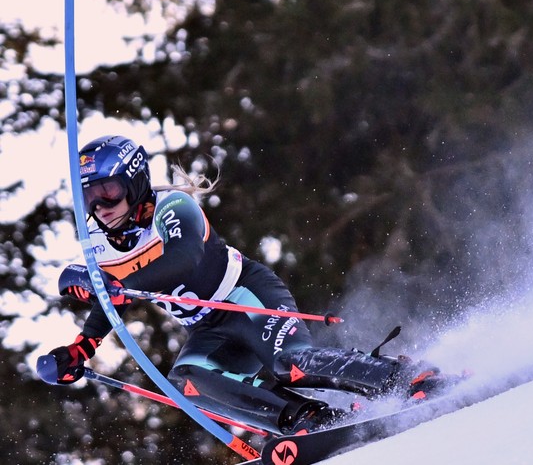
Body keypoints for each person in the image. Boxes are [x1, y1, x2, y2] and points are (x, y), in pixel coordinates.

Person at [45, 135, 448, 435]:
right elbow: (109, 300)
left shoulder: (173, 208)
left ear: (133, 184)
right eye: (88, 198)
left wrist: (114, 283)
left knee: (290, 364)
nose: (99, 206)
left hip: (245, 298)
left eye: (107, 191)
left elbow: (185, 258)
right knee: (186, 381)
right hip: (208, 330)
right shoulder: (99, 242)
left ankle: (400, 377)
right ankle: (309, 421)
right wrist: (83, 348)